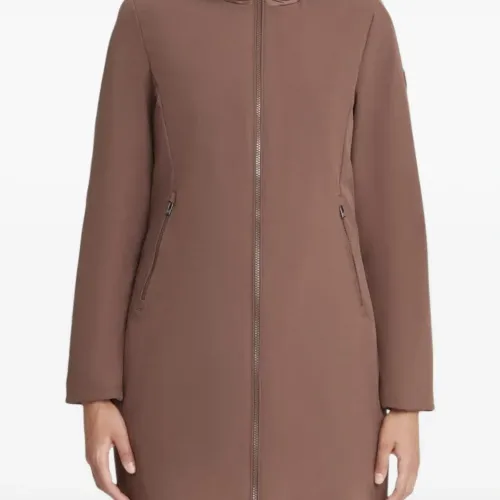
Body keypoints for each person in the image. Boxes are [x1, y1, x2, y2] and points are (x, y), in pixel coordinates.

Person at [66, 0, 434, 499]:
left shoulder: (361, 20)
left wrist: (406, 400)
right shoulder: (148, 15)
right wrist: (96, 391)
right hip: (175, 390)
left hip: (332, 390)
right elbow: (112, 212)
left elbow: (394, 220)